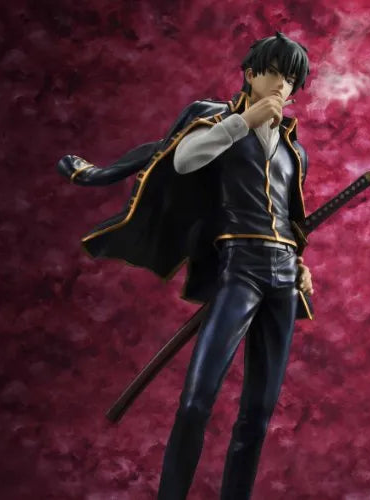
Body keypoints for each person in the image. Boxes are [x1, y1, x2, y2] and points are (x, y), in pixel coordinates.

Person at [57, 31, 313, 500]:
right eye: (275, 72)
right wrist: (243, 122)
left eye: (291, 79)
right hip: (240, 268)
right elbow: (182, 161)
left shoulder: (295, 151)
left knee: (257, 415)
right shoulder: (217, 121)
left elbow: (290, 218)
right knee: (196, 401)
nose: (282, 85)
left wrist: (300, 263)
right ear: (251, 73)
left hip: (283, 279)